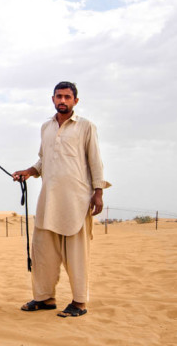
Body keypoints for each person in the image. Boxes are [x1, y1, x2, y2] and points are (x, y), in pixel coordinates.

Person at [12, 81, 110, 318]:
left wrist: (98, 191)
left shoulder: (86, 127)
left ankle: (79, 302)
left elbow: (95, 160)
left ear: (76, 101)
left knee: (76, 253)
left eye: (67, 97)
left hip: (76, 200)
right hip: (48, 200)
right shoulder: (46, 127)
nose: (63, 101)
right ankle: (45, 298)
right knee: (43, 251)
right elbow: (43, 160)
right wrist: (28, 172)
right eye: (59, 96)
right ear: (53, 99)